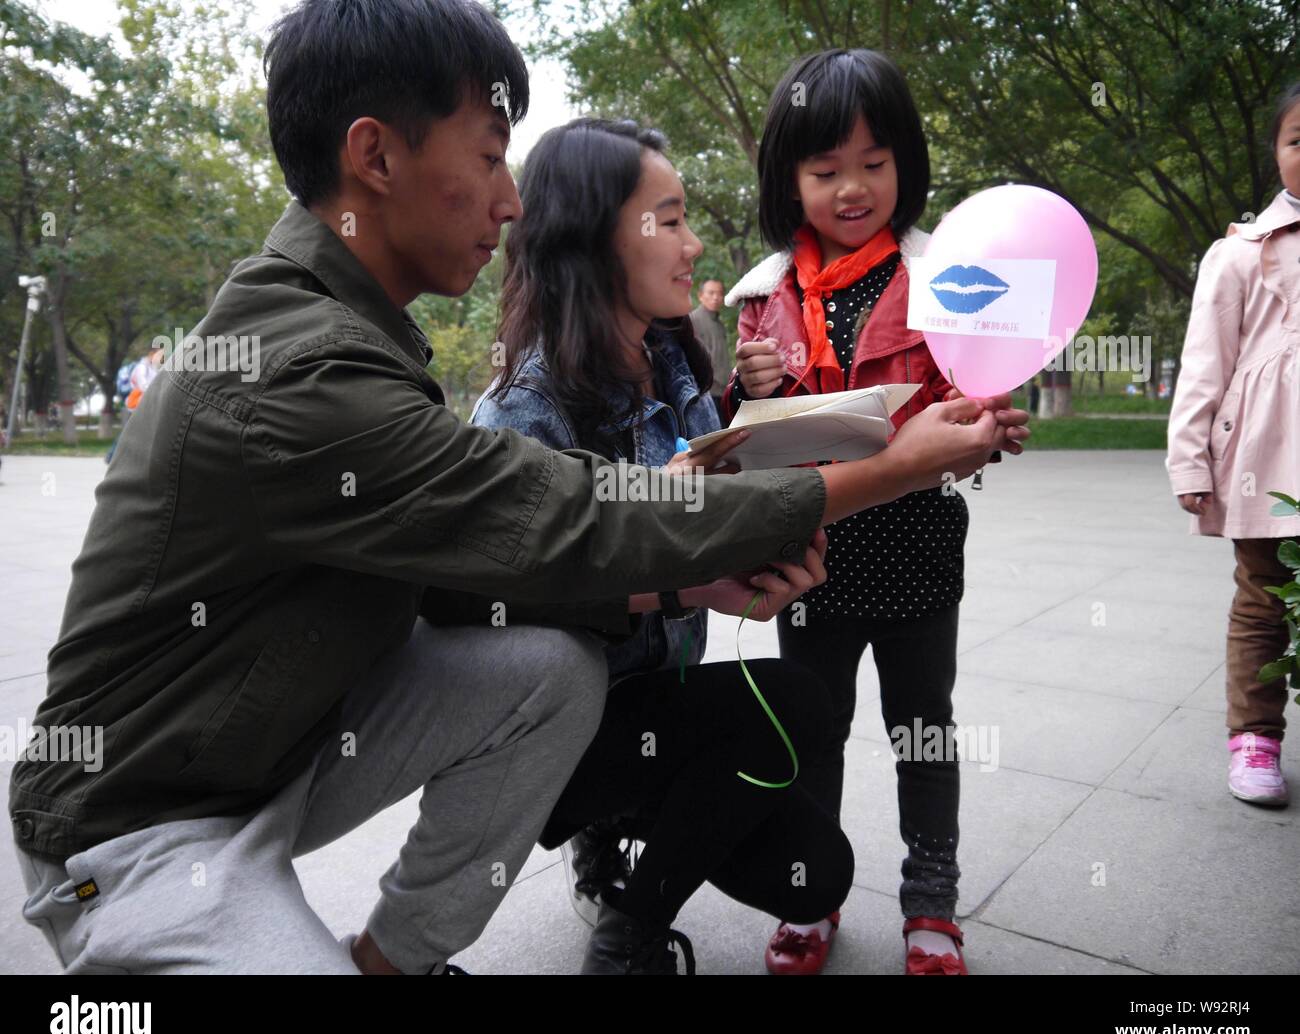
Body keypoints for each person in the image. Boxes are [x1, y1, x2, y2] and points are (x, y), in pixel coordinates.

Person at [9, 0, 1024, 976]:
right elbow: (566, 520)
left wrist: (690, 581)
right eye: (490, 158)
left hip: (284, 745)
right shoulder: (304, 372)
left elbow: (470, 579)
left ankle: (392, 960)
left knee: (549, 673)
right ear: (376, 155)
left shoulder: (373, 329)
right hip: (146, 820)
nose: (508, 201)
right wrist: (893, 468)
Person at [471, 118, 855, 974]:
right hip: (552, 731)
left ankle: (620, 834)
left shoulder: (679, 361)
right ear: (593, 237)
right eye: (670, 219)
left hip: (657, 696)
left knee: (817, 873)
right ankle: (626, 933)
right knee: (790, 698)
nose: (693, 244)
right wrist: (693, 584)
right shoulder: (522, 412)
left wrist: (767, 544)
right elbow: (501, 600)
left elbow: (709, 512)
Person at [723, 49, 984, 975]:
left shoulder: (944, 275)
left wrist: (985, 424)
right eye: (826, 168)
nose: (851, 188)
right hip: (810, 555)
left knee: (923, 732)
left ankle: (932, 907)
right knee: (810, 736)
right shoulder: (761, 296)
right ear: (789, 177)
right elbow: (743, 436)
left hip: (917, 551)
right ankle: (810, 895)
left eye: (874, 163)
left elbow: (971, 395)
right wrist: (741, 386)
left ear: (905, 164)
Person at [1167, 81, 1300, 808]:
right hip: (1268, 463)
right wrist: (1191, 460)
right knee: (1263, 600)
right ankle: (1255, 736)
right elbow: (1204, 363)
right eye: (1297, 139)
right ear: (1275, 152)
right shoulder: (1242, 253)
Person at [105, 346, 163, 464]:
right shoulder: (141, 367)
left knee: (134, 431)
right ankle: (112, 456)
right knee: (130, 431)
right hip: (138, 405)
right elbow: (143, 386)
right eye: (160, 355)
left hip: (146, 404)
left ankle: (123, 457)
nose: (162, 358)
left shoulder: (152, 368)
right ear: (152, 353)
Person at [689, 278, 730, 420]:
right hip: (706, 392)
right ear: (700, 295)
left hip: (723, 391)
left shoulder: (719, 323)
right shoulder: (692, 320)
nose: (716, 297)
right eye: (711, 293)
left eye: (719, 293)